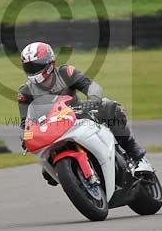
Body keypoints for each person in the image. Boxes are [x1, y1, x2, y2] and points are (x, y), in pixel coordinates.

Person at [17, 42, 147, 173]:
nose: (33, 70)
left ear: (50, 63)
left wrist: (93, 100)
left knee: (110, 107)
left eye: (36, 66)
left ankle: (137, 156)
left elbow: (91, 86)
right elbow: (25, 123)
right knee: (47, 173)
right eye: (29, 67)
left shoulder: (66, 73)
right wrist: (26, 136)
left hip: (79, 116)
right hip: (52, 130)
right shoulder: (25, 92)